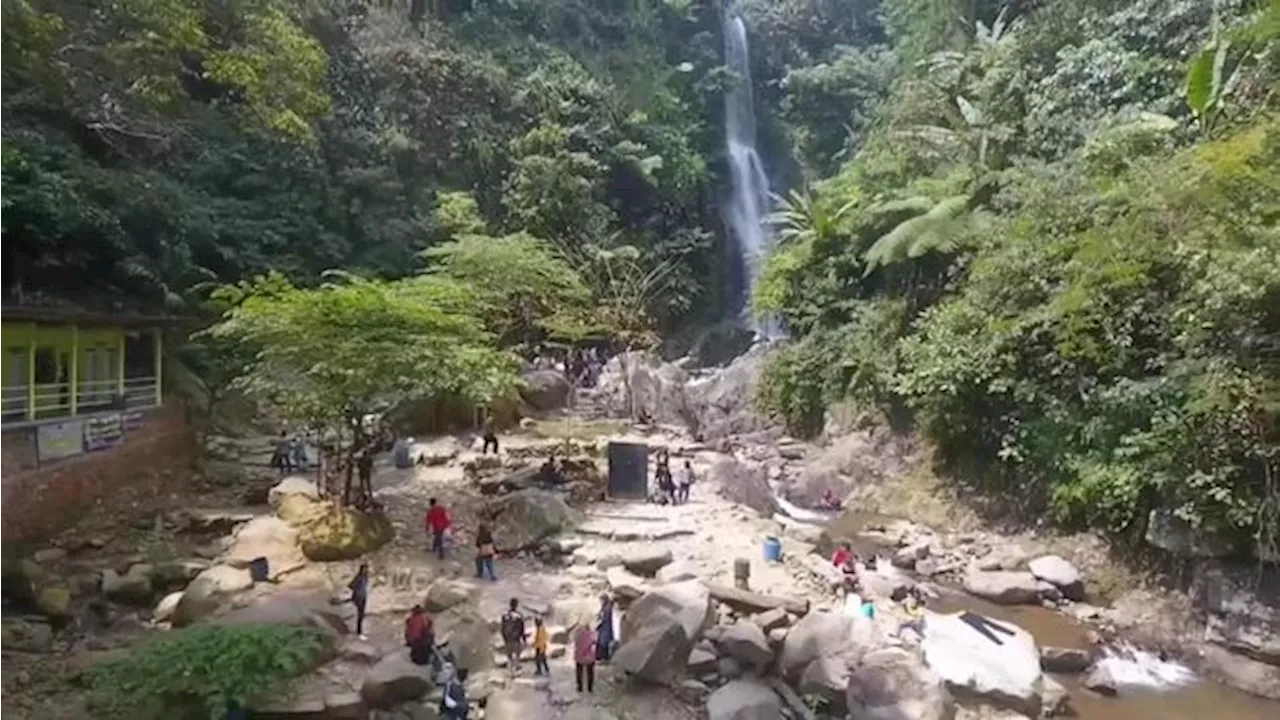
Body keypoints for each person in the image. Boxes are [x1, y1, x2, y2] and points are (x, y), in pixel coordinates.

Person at [500, 598, 526, 675]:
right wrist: (524, 639)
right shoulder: (519, 615)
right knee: (517, 655)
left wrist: (504, 638)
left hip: (508, 639)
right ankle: (515, 670)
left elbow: (502, 628)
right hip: (516, 639)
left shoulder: (505, 615)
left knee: (509, 657)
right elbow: (522, 629)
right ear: (516, 605)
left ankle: (510, 671)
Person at [348, 563, 370, 639]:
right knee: (360, 614)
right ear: (361, 569)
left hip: (363, 597)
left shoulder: (365, 577)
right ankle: (359, 631)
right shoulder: (359, 577)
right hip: (358, 597)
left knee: (362, 614)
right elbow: (350, 585)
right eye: (365, 569)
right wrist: (357, 590)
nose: (366, 570)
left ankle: (360, 630)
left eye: (367, 569)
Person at [573, 623, 596, 693]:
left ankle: (580, 687)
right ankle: (590, 688)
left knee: (579, 672)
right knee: (590, 673)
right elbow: (594, 643)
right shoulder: (590, 634)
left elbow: (575, 643)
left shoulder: (578, 634)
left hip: (579, 656)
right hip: (589, 657)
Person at [595, 593, 615, 662]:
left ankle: (604, 658)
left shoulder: (607, 608)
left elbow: (603, 618)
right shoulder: (608, 607)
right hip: (606, 627)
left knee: (604, 643)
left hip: (605, 627)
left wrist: (597, 624)